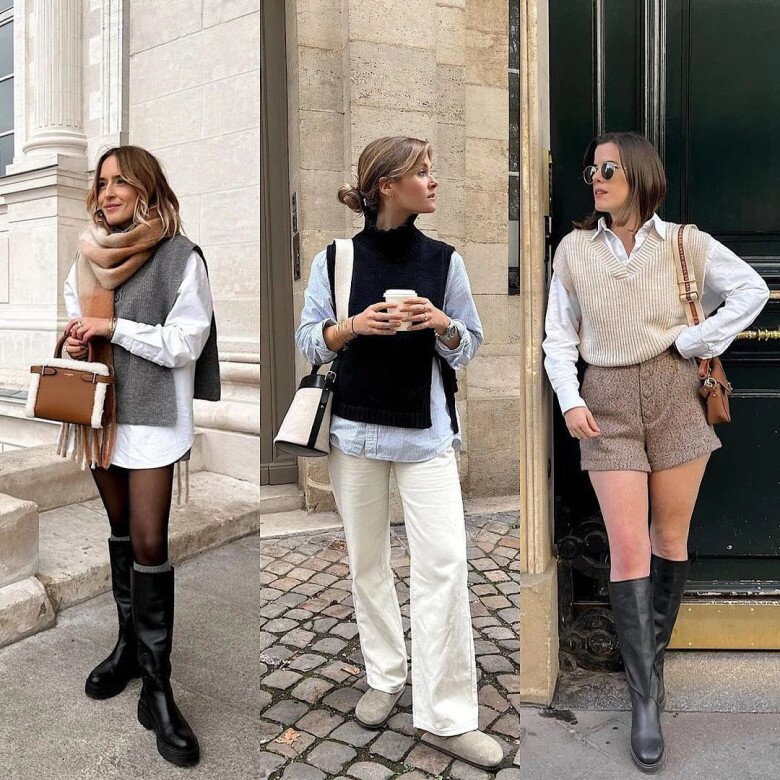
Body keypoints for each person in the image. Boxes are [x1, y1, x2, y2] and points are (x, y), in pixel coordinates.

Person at [543, 131, 769, 772]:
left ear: (639, 174)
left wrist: (698, 340)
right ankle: (644, 700)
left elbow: (750, 289)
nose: (596, 176)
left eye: (608, 168)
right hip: (605, 401)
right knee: (627, 545)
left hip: (675, 393)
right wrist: (568, 400)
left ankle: (654, 667)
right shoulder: (574, 250)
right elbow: (558, 335)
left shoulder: (683, 243)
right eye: (592, 168)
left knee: (670, 538)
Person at [295, 136, 503, 770]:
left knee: (443, 565)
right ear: (387, 185)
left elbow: (470, 345)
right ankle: (386, 675)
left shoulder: (445, 261)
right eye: (422, 172)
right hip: (354, 433)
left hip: (426, 434)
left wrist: (441, 325)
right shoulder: (336, 258)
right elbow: (312, 340)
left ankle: (446, 713)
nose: (433, 182)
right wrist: (354, 326)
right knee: (367, 563)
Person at [61, 145, 221, 767]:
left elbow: (187, 341)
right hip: (102, 414)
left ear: (147, 188)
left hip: (152, 420)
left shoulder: (182, 257)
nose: (107, 193)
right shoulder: (84, 257)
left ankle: (158, 691)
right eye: (101, 183)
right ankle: (129, 647)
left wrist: (113, 330)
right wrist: (76, 338)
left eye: (120, 181)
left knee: (151, 543)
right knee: (121, 532)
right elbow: (77, 319)